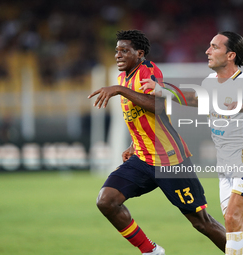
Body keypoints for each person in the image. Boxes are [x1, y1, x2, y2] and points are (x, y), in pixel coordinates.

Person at [139, 31, 243, 255]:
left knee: (231, 217)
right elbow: (196, 98)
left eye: (214, 47)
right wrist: (163, 89)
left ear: (230, 55)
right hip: (224, 162)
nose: (207, 51)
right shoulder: (209, 81)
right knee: (240, 231)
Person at [88, 29, 227, 255]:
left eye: (124, 51)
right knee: (107, 200)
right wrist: (134, 145)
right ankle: (151, 251)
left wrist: (119, 90)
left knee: (202, 222)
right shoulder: (123, 76)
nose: (118, 55)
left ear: (139, 53)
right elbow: (141, 117)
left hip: (169, 160)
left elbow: (160, 106)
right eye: (116, 51)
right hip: (143, 158)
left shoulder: (147, 71)